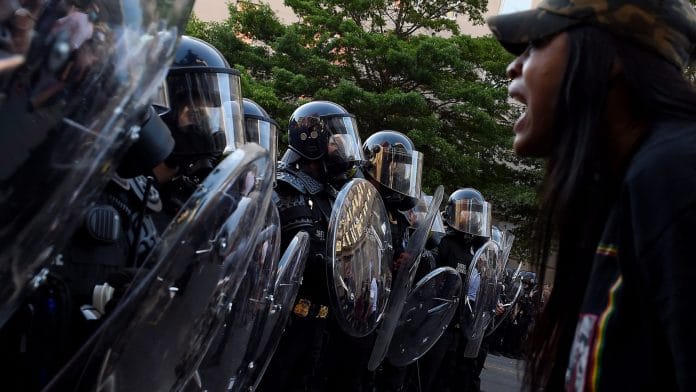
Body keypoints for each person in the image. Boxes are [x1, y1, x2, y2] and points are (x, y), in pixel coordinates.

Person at [487, 0, 696, 390]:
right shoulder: (625, 189)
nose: (513, 67)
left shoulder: (676, 174)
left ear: (612, 55)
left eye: (537, 43)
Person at [258, 100, 364, 391]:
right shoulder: (285, 187)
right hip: (283, 323)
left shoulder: (331, 197)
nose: (342, 150)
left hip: (321, 324)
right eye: (336, 141)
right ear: (311, 140)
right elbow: (286, 259)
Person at [360, 130, 424, 391]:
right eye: (391, 162)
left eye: (401, 164)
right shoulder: (358, 198)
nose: (396, 170)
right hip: (355, 307)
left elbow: (398, 254)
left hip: (382, 308)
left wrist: (404, 260)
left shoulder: (398, 215)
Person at [418, 188, 492, 392]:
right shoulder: (442, 244)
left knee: (448, 378)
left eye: (476, 213)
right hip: (437, 326)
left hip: (458, 328)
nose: (471, 218)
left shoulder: (473, 253)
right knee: (427, 377)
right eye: (467, 211)